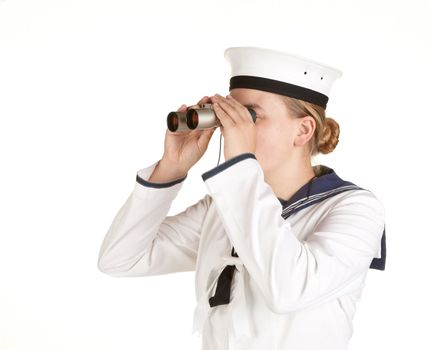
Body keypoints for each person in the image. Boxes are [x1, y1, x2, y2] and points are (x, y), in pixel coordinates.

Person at [97, 46, 386, 350]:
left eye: (250, 116)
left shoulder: (355, 209)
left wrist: (238, 167)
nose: (231, 128)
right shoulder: (224, 209)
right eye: (228, 115)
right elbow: (120, 259)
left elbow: (287, 290)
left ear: (303, 130)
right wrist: (171, 168)